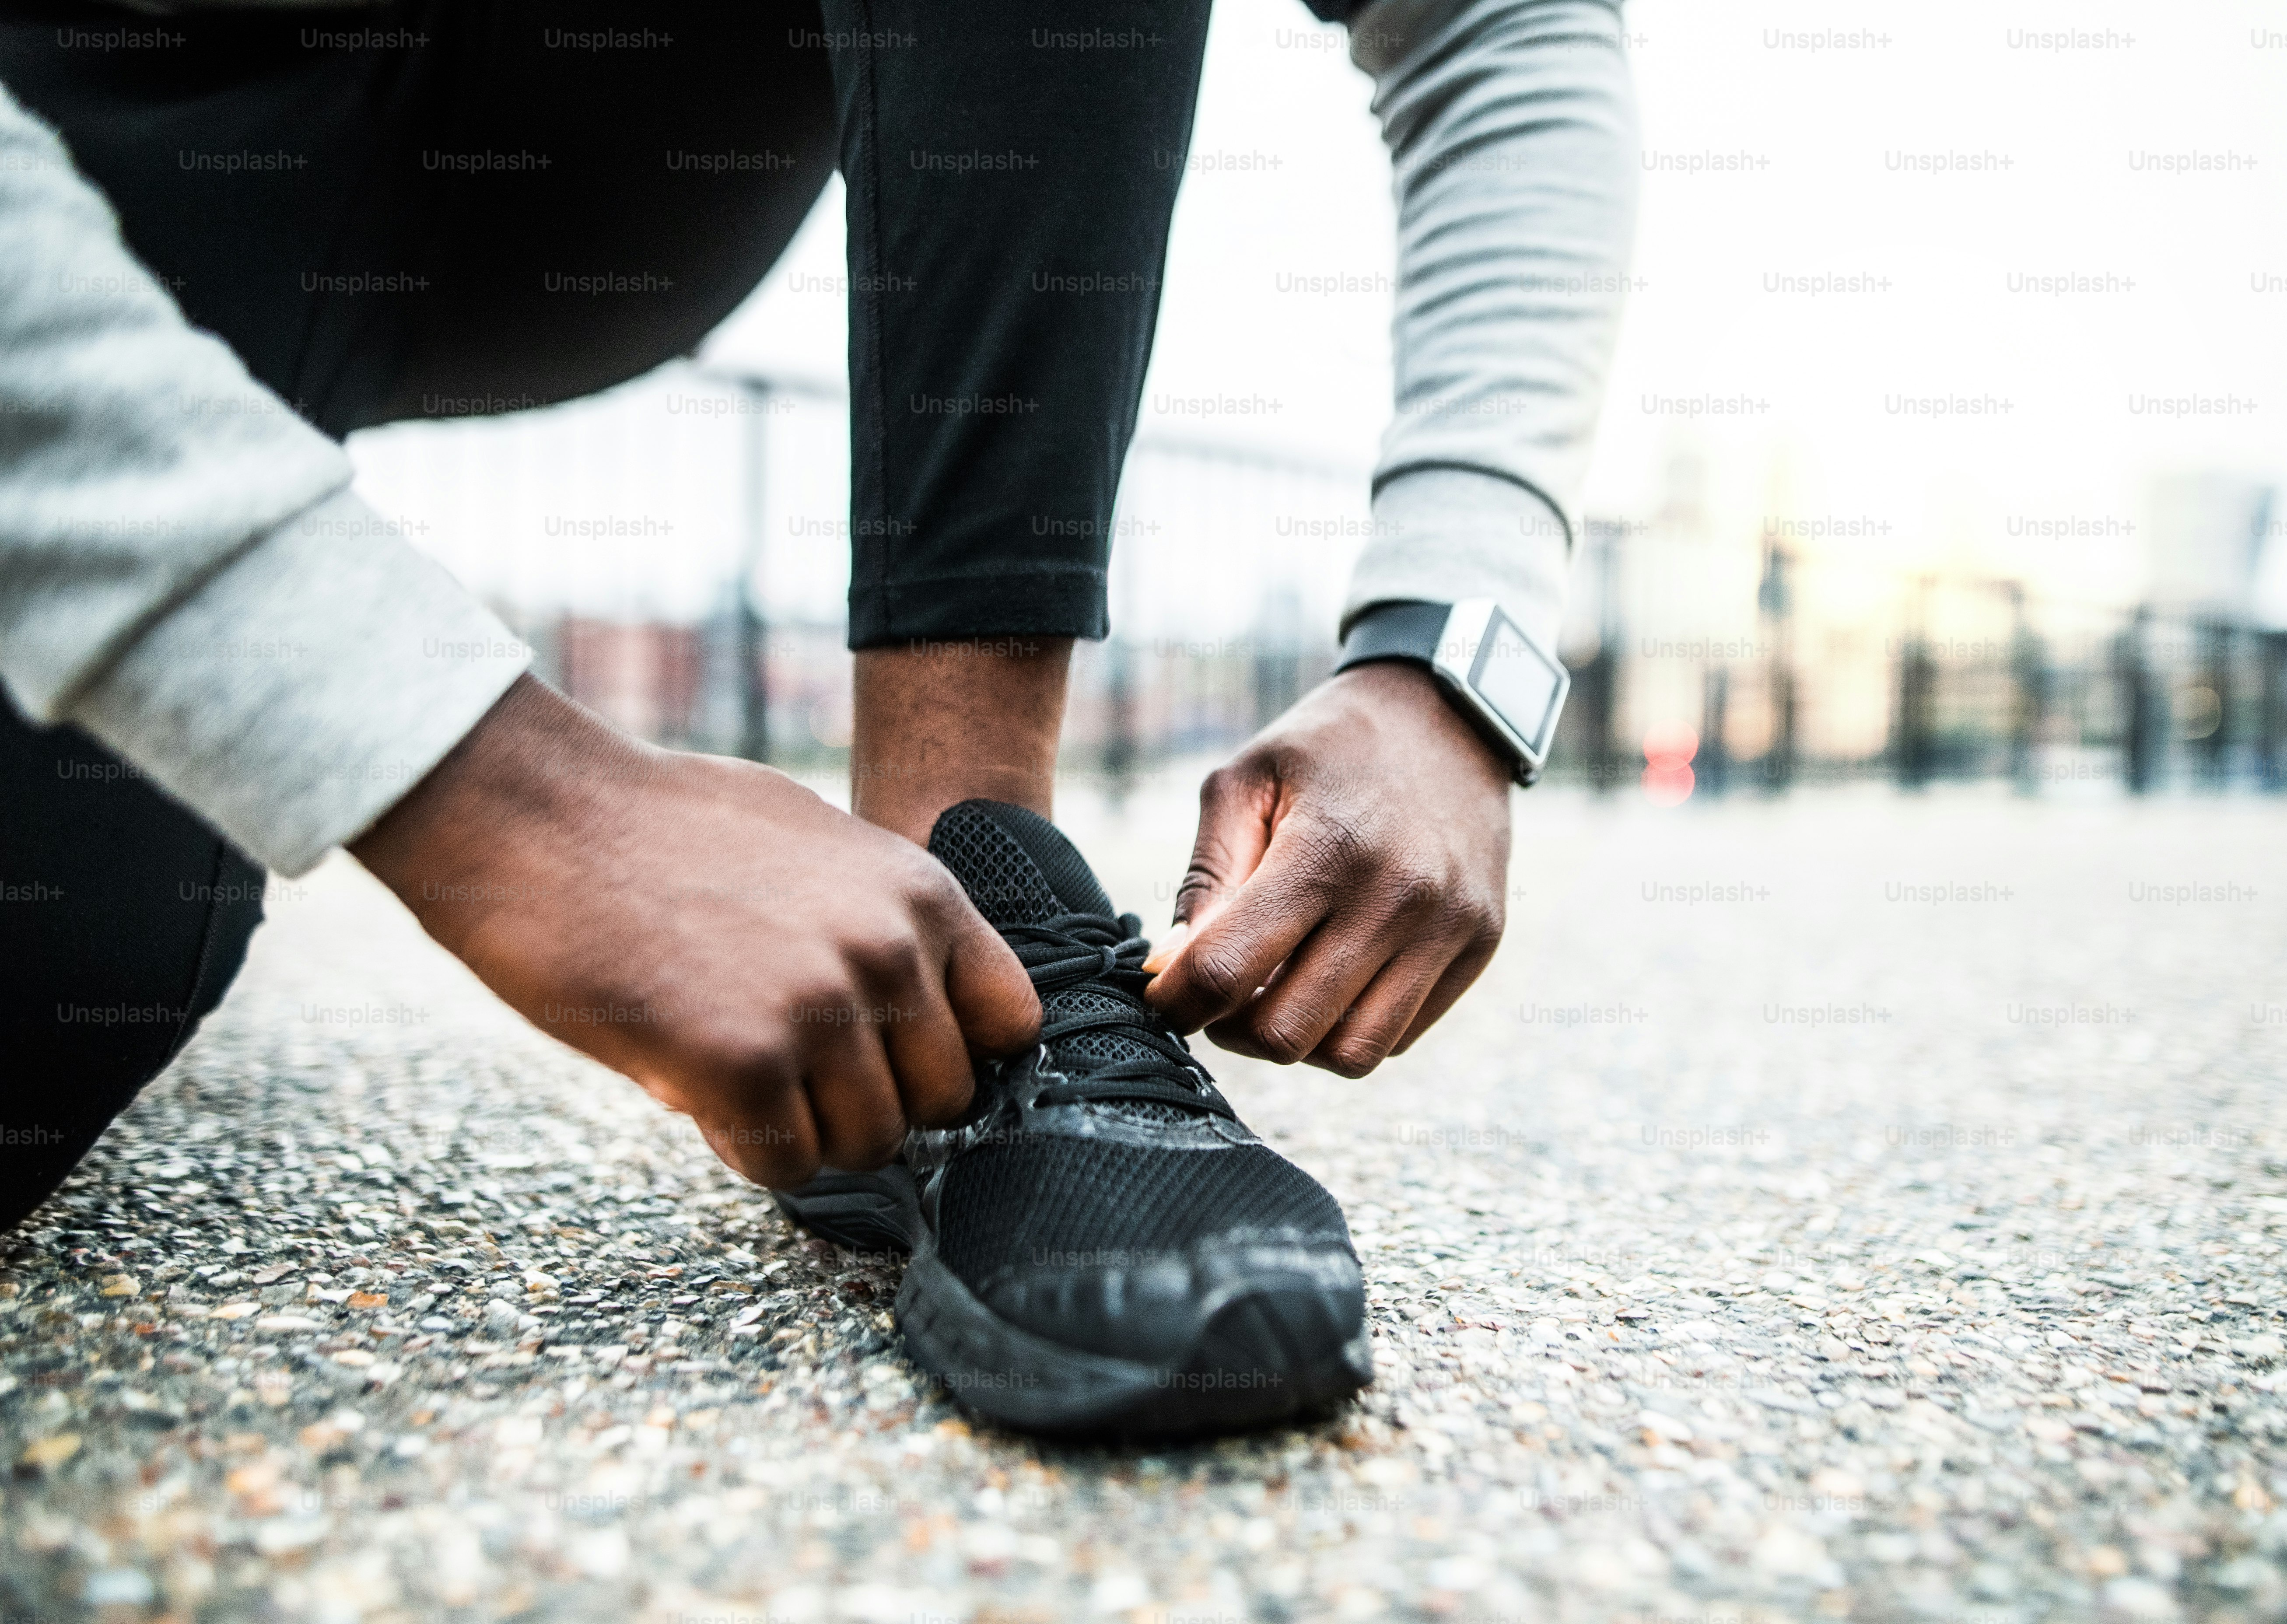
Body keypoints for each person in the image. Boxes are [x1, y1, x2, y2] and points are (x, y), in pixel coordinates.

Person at [0, 0, 1635, 1433]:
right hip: (97, 123)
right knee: (61, 977)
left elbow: (1499, 18)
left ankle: (966, 915)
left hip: (574, 150)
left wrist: (1447, 654)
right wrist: (493, 789)